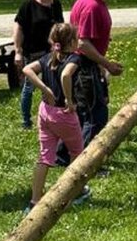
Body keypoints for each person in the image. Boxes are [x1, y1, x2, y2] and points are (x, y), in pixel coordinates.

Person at [22, 23, 90, 208]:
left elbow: (27, 69)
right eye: (77, 38)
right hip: (64, 115)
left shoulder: (48, 57)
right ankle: (75, 192)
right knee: (76, 154)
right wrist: (68, 100)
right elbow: (66, 76)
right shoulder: (74, 59)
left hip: (45, 112)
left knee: (45, 157)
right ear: (71, 41)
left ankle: (35, 200)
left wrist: (43, 88)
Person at [69, 0, 125, 148]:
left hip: (89, 64)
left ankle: (63, 155)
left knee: (82, 114)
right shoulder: (92, 6)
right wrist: (106, 64)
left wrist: (101, 64)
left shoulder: (93, 0)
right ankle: (85, 161)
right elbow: (83, 43)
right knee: (96, 115)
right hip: (85, 65)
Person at [13, 0, 63, 131]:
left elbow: (60, 26)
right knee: (29, 86)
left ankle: (52, 114)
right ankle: (26, 121)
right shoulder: (29, 5)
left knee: (53, 83)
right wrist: (18, 51)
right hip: (32, 52)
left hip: (51, 51)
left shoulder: (56, 4)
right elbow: (18, 28)